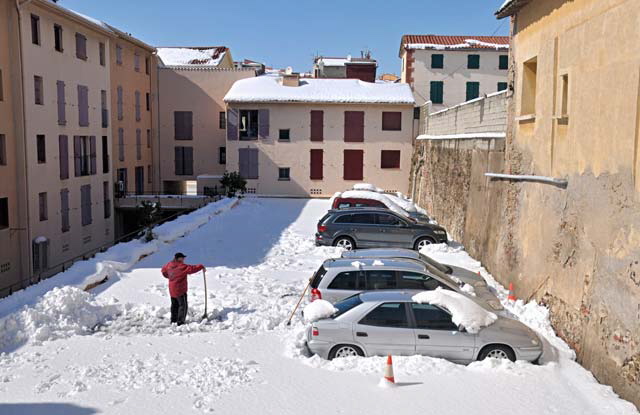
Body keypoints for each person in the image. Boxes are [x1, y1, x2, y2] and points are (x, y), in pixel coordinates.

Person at [161, 252, 205, 325]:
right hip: (180, 290)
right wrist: (201, 266)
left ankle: (173, 320)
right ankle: (180, 322)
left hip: (172, 289)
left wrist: (170, 277)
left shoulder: (169, 264)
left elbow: (163, 271)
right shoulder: (181, 266)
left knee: (174, 305)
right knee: (183, 306)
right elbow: (192, 269)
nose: (184, 259)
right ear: (178, 258)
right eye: (182, 257)